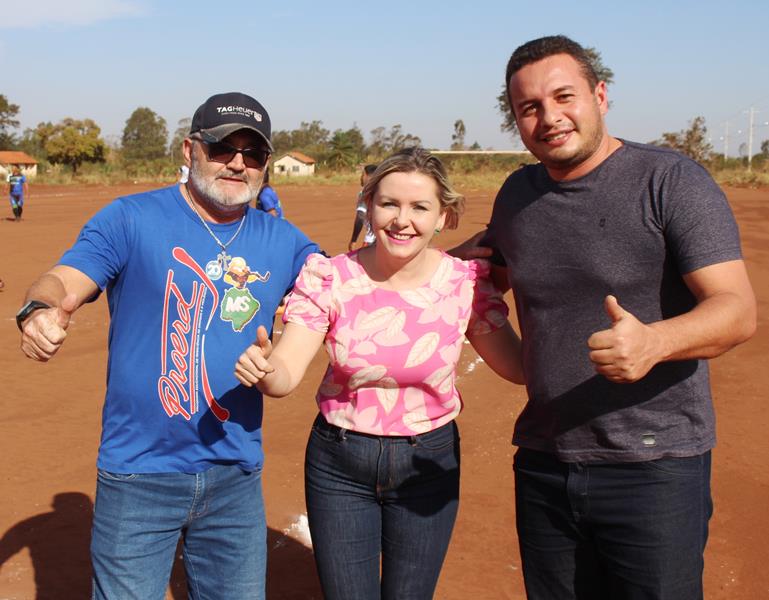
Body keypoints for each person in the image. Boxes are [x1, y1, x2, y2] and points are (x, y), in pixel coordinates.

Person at [474, 35, 757, 599]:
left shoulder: (669, 181)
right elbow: (484, 266)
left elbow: (737, 310)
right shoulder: (517, 195)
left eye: (563, 96)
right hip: (545, 460)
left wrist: (654, 341)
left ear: (600, 95)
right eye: (529, 107)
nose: (549, 117)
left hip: (654, 467)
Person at [17, 91, 320, 600]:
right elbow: (61, 279)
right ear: (190, 149)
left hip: (234, 476)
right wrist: (38, 311)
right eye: (224, 148)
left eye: (254, 154)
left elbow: (351, 285)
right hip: (139, 473)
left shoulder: (284, 240)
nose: (238, 163)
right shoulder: (130, 219)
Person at [235, 147, 524, 600]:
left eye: (419, 207)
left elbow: (517, 366)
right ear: (368, 206)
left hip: (429, 462)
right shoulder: (328, 278)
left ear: (444, 215)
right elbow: (288, 370)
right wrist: (266, 371)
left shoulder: (465, 284)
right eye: (389, 204)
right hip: (339, 463)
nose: (401, 220)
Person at [347, 163, 378, 251]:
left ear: (367, 175)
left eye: (362, 174)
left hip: (371, 241)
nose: (361, 177)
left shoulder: (366, 193)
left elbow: (360, 216)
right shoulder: (381, 191)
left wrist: (353, 240)